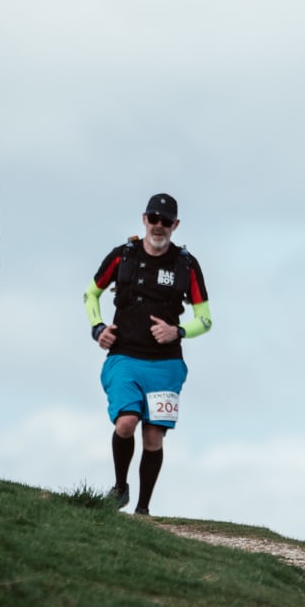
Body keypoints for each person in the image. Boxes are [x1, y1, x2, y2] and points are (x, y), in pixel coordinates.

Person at [84, 193, 211, 517]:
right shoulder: (123, 256)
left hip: (167, 364)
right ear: (144, 219)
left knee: (153, 436)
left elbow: (205, 319)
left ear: (175, 225)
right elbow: (91, 293)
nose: (158, 226)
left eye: (165, 221)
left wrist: (178, 331)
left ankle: (143, 509)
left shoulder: (186, 265)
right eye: (153, 218)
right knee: (126, 422)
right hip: (124, 356)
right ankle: (120, 487)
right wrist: (98, 328)